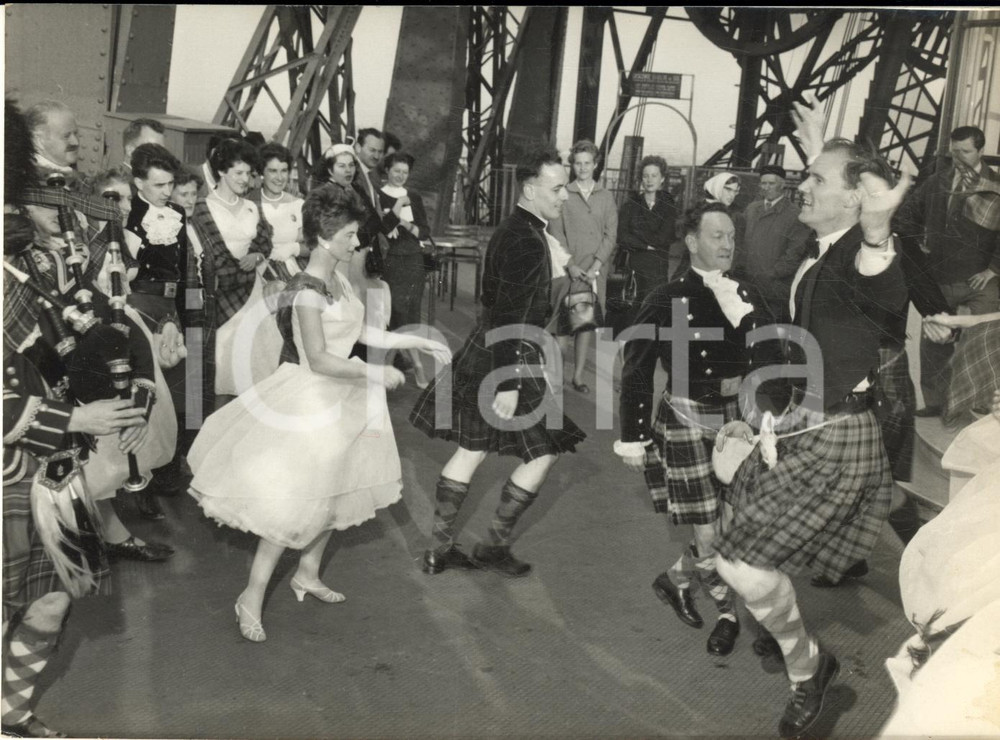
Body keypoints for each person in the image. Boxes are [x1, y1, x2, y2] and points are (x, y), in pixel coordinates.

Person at [713, 97, 910, 738]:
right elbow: (834, 210)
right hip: (804, 418)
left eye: (816, 180)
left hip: (836, 436)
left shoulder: (864, 251)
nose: (803, 184)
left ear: (858, 201)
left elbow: (878, 277)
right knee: (738, 529)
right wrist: (822, 151)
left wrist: (878, 232)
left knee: (740, 562)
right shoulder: (823, 242)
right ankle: (779, 622)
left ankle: (810, 668)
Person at [186, 186, 451, 642]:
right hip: (314, 399)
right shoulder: (307, 290)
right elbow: (320, 358)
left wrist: (415, 340)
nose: (357, 242)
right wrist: (375, 374)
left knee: (335, 490)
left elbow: (360, 329)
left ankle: (307, 573)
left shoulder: (340, 279)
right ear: (327, 238)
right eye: (350, 234)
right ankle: (250, 596)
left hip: (347, 398)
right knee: (295, 503)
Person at [2, 97, 150, 739]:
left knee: (55, 595)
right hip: (28, 446)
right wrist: (73, 419)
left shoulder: (20, 271)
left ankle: (8, 718)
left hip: (35, 462)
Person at [410, 147, 587, 578]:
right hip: (512, 357)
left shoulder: (516, 230)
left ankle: (439, 549)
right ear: (530, 190)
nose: (565, 195)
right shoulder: (527, 239)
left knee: (471, 449)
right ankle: (493, 545)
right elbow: (510, 311)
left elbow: (498, 303)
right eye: (557, 187)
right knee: (544, 453)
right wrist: (509, 380)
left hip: (489, 349)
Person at [618, 202, 758, 659]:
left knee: (730, 523)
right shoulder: (666, 296)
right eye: (717, 236)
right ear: (693, 241)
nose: (727, 245)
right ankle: (727, 613)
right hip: (683, 417)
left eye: (732, 237)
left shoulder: (744, 292)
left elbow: (768, 348)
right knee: (707, 532)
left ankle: (676, 579)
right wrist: (634, 436)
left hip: (734, 420)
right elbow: (636, 369)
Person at [18, 184, 176, 561]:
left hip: (68, 357)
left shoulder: (59, 255)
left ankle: (106, 534)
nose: (60, 209)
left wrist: (136, 401)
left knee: (96, 456)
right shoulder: (21, 261)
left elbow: (103, 310)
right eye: (45, 203)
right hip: (30, 371)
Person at [896, 125, 1000, 417]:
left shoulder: (996, 186)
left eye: (965, 152)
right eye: (954, 152)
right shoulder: (936, 183)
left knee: (982, 338)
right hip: (939, 276)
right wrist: (916, 245)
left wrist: (993, 269)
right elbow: (907, 216)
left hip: (981, 279)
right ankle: (936, 401)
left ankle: (981, 401)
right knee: (935, 340)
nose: (959, 158)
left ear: (980, 151)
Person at [189, 138, 283, 409]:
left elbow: (264, 240)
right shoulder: (202, 208)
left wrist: (257, 255)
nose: (245, 179)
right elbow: (205, 256)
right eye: (238, 173)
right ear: (221, 171)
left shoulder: (252, 207)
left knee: (255, 372)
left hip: (251, 295)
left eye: (249, 173)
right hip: (220, 298)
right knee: (223, 370)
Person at [549, 140, 618, 394]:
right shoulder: (564, 194)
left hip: (594, 272)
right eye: (578, 163)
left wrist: (596, 267)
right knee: (563, 326)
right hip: (570, 271)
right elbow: (556, 232)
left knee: (584, 324)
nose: (583, 168)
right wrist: (571, 265)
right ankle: (557, 376)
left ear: (595, 164)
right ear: (572, 165)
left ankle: (577, 377)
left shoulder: (606, 197)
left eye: (587, 163)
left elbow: (611, 235)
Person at [378, 151, 432, 386]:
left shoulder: (415, 196)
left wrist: (402, 222)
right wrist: (399, 206)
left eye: (405, 172)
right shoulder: (378, 196)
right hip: (392, 259)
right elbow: (383, 229)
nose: (401, 176)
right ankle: (414, 365)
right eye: (396, 171)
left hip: (413, 259)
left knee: (410, 312)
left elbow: (424, 232)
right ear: (387, 170)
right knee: (396, 312)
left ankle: (394, 365)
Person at [735, 165, 811, 323]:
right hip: (748, 283)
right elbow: (739, 241)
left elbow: (795, 254)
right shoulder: (751, 209)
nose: (766, 187)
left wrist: (771, 274)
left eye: (771, 183)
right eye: (763, 183)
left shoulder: (794, 215)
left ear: (782, 185)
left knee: (769, 330)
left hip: (773, 290)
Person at [616, 155, 681, 306]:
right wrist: (645, 245)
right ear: (641, 179)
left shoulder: (669, 207)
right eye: (645, 176)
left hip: (657, 271)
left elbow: (662, 239)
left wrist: (636, 231)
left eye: (654, 175)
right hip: (634, 270)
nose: (649, 180)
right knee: (633, 313)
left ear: (662, 179)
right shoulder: (630, 205)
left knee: (654, 313)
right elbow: (622, 237)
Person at [255, 142, 307, 277]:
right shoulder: (250, 203)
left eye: (284, 171)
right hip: (256, 275)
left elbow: (313, 246)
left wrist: (294, 248)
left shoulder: (298, 204)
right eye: (272, 171)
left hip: (291, 273)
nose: (279, 178)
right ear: (262, 172)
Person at [24, 100, 81, 187]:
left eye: (76, 133)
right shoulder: (34, 185)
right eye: (66, 136)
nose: (75, 142)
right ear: (39, 141)